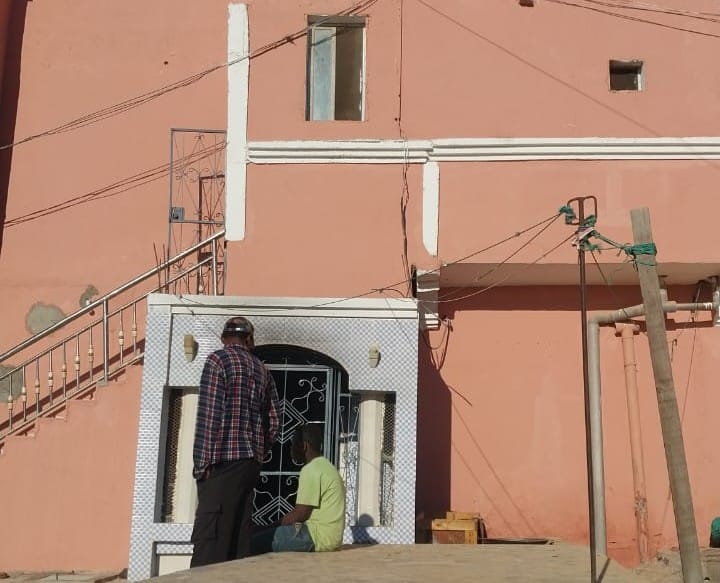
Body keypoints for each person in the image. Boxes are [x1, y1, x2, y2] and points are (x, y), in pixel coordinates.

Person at [190, 316, 280, 568]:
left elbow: (209, 416)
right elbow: (274, 421)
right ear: (249, 339)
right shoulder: (262, 370)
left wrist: (201, 465)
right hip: (249, 464)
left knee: (210, 538)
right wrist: (258, 451)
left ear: (224, 337)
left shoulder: (217, 361)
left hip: (221, 462)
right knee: (239, 535)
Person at [250, 423, 346, 555]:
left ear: (304, 446)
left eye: (293, 445)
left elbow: (300, 514)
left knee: (253, 542)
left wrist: (267, 527)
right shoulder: (327, 466)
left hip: (316, 537)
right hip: (331, 539)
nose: (291, 449)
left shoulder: (311, 469)